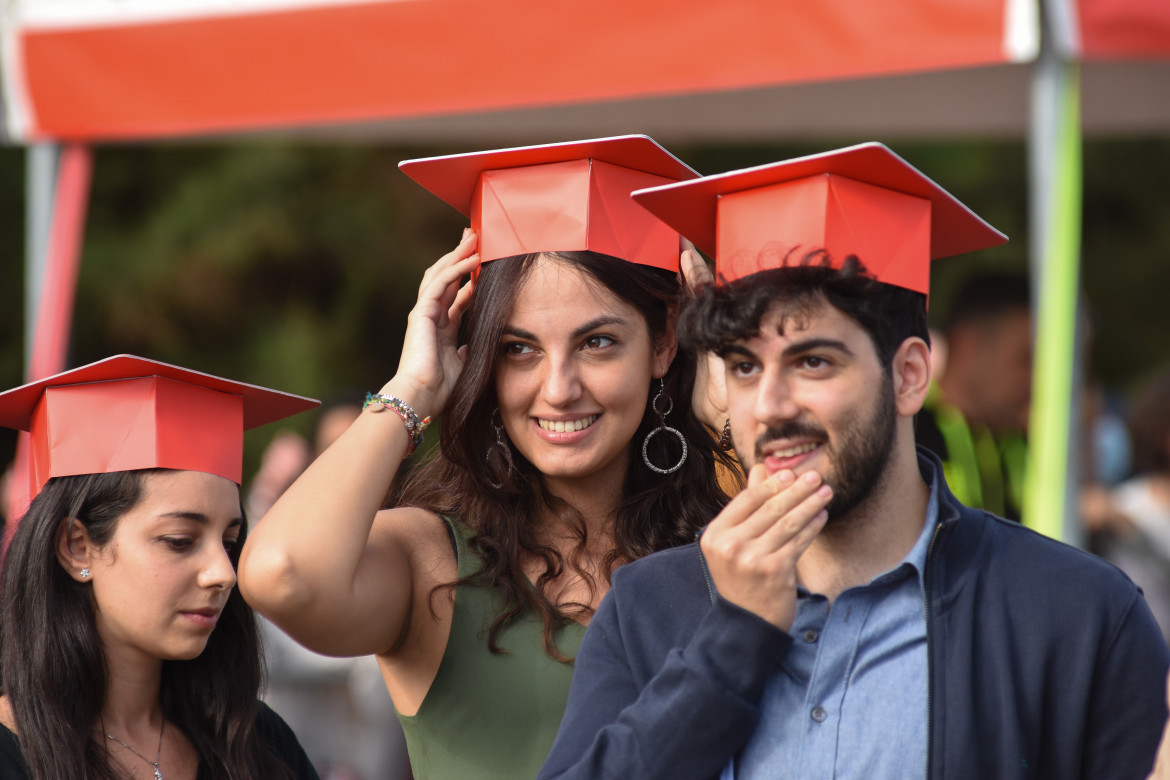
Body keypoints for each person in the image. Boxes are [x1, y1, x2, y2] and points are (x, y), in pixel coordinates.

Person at [539, 143, 1170, 779]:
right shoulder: (651, 606)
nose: (771, 405)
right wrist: (732, 638)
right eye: (744, 367)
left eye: (813, 362)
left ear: (909, 376)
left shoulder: (1072, 612)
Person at [238, 136, 736, 779]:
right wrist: (411, 389)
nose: (558, 388)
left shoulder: (726, 547)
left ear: (666, 343)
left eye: (598, 343)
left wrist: (731, 415)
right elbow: (283, 574)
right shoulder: (434, 564)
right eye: (518, 349)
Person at [0, 355, 321, 780]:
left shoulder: (257, 741)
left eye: (229, 543)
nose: (224, 573)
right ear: (77, 548)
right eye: (180, 542)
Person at [915, 271, 1031, 520]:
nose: (1035, 377)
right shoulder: (908, 433)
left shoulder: (1023, 440)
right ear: (969, 347)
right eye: (1025, 358)